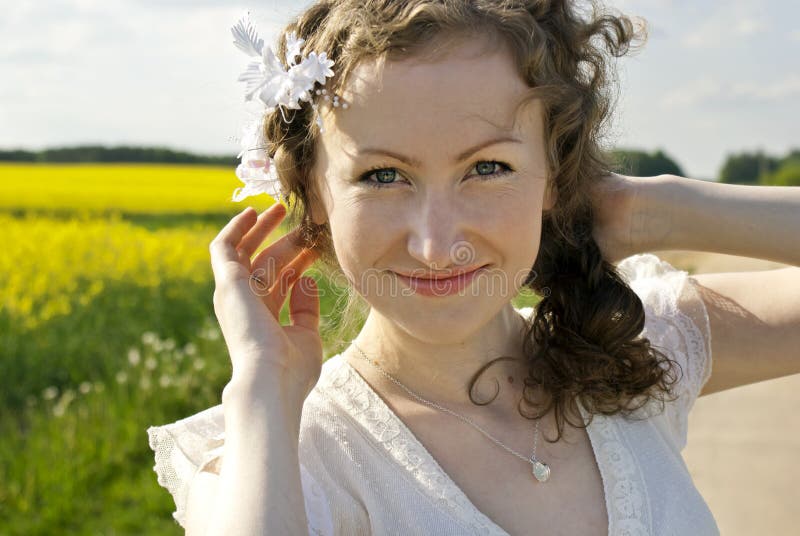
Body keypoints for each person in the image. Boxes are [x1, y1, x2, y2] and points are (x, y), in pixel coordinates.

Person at [147, 2, 800, 534]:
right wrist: (263, 387)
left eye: (488, 168)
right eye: (382, 176)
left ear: (554, 173)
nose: (436, 245)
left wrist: (650, 209)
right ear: (314, 198)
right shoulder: (279, 463)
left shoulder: (641, 342)